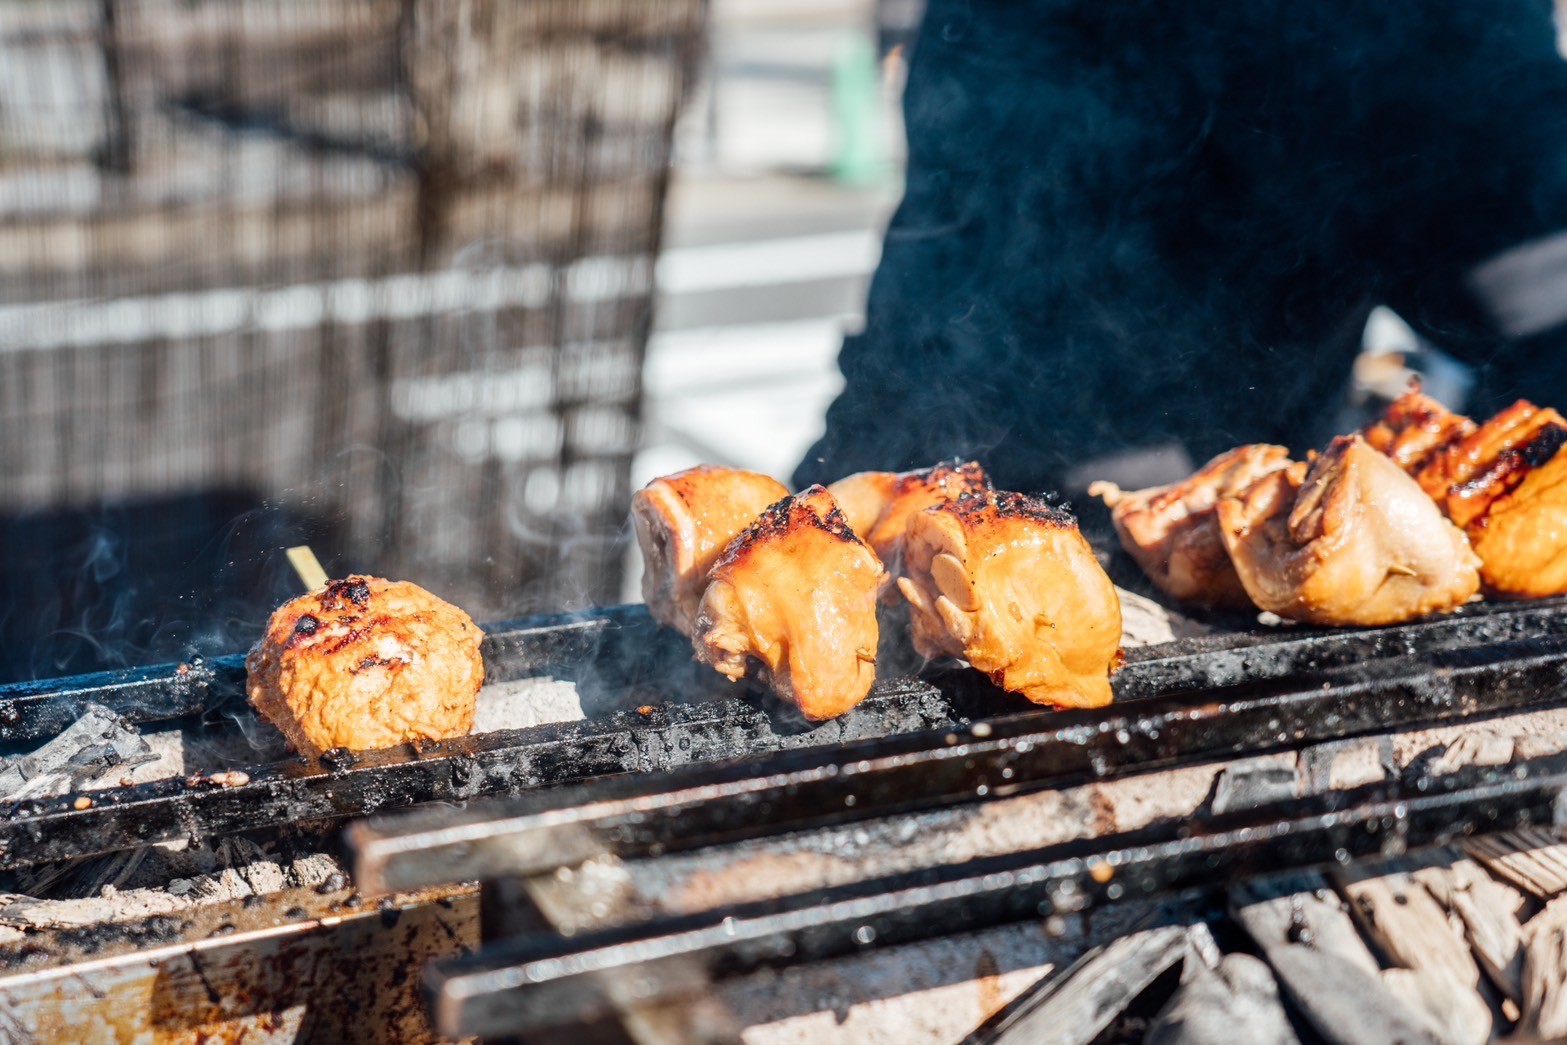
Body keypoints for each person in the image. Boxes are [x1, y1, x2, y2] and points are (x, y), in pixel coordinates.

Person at [796, 0, 1567, 497]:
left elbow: (1537, 280)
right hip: (907, 486)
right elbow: (939, 248)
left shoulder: (1411, 34)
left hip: (1175, 542)